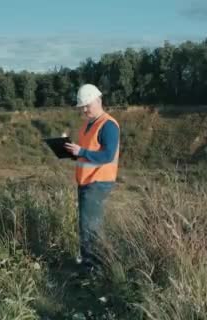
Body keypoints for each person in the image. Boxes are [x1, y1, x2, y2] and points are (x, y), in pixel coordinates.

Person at [64, 84, 120, 271]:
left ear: (98, 100)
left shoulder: (108, 125)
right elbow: (86, 154)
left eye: (87, 105)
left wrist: (82, 151)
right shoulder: (87, 125)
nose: (84, 109)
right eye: (82, 106)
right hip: (85, 182)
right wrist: (72, 151)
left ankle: (95, 269)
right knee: (86, 226)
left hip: (99, 182)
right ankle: (89, 265)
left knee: (91, 228)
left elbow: (107, 156)